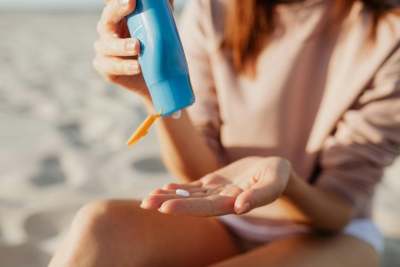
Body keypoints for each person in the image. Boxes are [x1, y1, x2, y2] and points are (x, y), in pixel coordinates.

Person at [49, 0, 400, 266]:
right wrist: (154, 92)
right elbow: (200, 176)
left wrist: (285, 181)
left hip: (332, 232)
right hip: (226, 217)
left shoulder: (389, 31)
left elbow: (337, 210)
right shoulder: (214, 9)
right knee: (100, 226)